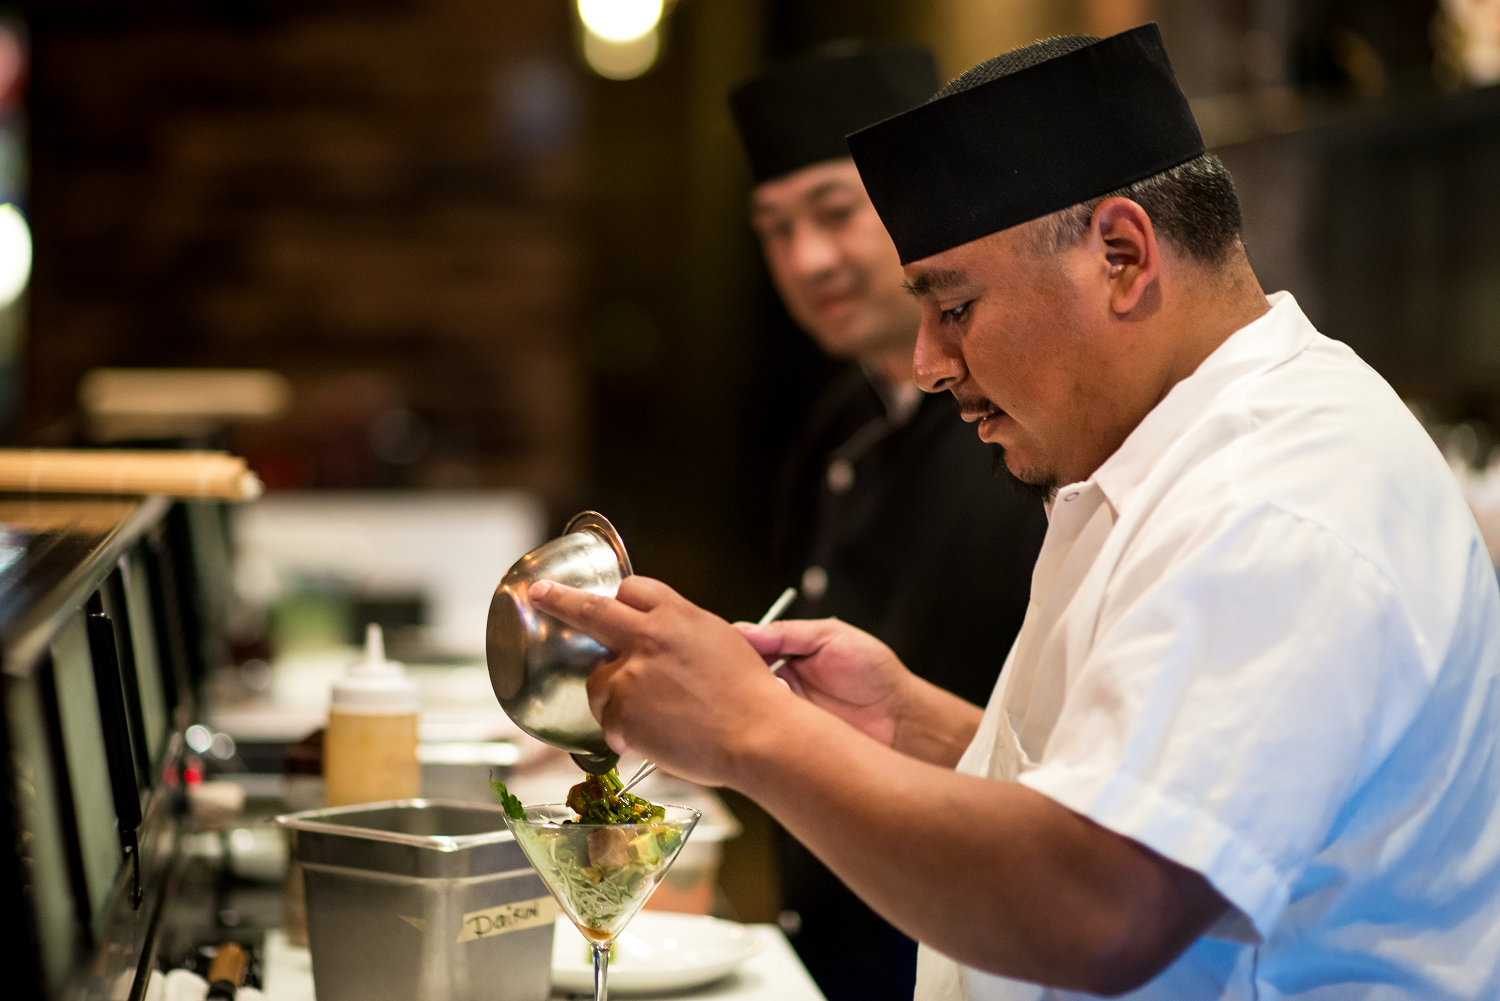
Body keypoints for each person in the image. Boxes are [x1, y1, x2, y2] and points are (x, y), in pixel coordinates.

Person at [528, 25, 1500, 1000]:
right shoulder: (1162, 452)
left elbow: (1103, 905)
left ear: (1122, 253)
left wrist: (752, 733)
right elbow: (1143, 800)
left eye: (953, 307)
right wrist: (913, 726)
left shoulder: (1279, 499)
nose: (926, 363)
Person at [727, 43, 1048, 1000]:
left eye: (835, 214)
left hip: (984, 944)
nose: (808, 259)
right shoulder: (836, 427)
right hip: (832, 942)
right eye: (777, 230)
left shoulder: (1033, 436)